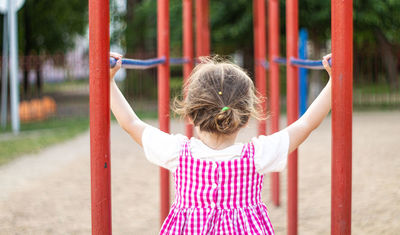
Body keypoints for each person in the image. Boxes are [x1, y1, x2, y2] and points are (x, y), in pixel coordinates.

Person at [110, 53, 332, 234]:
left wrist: (108, 81)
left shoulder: (178, 153)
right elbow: (306, 125)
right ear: (245, 118)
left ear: (190, 115)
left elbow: (130, 123)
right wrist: (334, 81)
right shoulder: (257, 156)